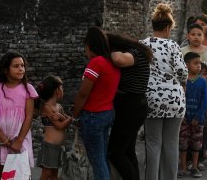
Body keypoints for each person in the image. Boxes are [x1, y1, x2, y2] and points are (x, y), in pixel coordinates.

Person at [141, 3, 188, 180]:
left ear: (152, 25)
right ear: (168, 27)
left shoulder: (142, 45)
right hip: (175, 101)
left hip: (151, 100)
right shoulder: (173, 46)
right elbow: (183, 72)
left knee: (153, 144)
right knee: (171, 144)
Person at [0, 50, 38, 180]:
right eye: (16, 66)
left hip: (19, 140)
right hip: (0, 139)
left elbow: (29, 117)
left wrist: (19, 141)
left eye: (22, 66)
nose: (21, 69)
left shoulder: (28, 89)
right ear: (6, 70)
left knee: (19, 174)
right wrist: (2, 138)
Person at [73, 26, 121, 180]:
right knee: (102, 156)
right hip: (107, 112)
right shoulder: (112, 62)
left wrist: (75, 114)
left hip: (93, 115)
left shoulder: (96, 63)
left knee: (97, 159)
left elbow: (83, 93)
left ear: (88, 46)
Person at [107, 32, 153, 180]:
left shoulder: (134, 53)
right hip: (132, 105)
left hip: (131, 106)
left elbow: (118, 59)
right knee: (127, 150)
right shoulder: (136, 51)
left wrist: (108, 51)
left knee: (115, 152)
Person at [35, 75, 72, 180]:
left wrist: (62, 116)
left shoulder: (59, 107)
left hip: (57, 147)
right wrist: (70, 119)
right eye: (62, 88)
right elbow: (60, 126)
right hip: (49, 146)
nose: (63, 90)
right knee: (46, 173)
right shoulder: (47, 108)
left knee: (54, 174)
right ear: (56, 90)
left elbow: (65, 119)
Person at [178, 52, 207, 178]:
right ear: (186, 65)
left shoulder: (202, 82)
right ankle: (183, 167)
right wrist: (182, 115)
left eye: (199, 64)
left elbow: (205, 102)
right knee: (183, 144)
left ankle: (195, 167)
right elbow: (179, 99)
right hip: (184, 119)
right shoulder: (181, 82)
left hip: (198, 120)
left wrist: (198, 117)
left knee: (196, 145)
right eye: (195, 63)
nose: (199, 66)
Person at [181, 23, 207, 108]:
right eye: (193, 34)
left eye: (199, 34)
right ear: (187, 36)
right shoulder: (181, 52)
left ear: (203, 37)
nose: (196, 37)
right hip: (186, 97)